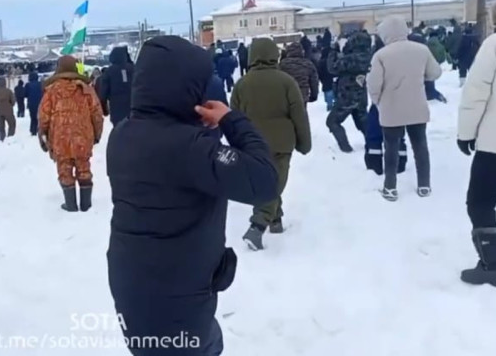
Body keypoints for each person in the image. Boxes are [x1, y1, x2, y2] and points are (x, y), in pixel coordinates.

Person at [106, 36, 278, 356]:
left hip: (132, 285)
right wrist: (230, 119)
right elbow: (264, 180)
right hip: (178, 299)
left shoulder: (122, 134)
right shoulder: (191, 148)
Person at [231, 38, 312, 250]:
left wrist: (237, 145)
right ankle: (258, 226)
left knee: (267, 183)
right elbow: (299, 115)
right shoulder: (286, 82)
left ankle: (276, 220)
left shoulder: (242, 84)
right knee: (275, 184)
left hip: (252, 145)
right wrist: (304, 143)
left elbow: (234, 119)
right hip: (281, 144)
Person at [367, 15, 442, 201]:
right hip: (417, 106)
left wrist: (377, 102)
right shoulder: (421, 50)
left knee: (391, 148)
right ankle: (424, 185)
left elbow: (374, 84)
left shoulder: (381, 55)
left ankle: (390, 188)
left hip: (391, 109)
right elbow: (435, 73)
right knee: (420, 147)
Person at [458, 33, 496, 287]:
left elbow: (476, 93)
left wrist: (466, 133)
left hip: (495, 144)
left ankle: (493, 265)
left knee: (480, 202)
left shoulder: (494, 44)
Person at [39, 55, 104, 212]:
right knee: (84, 167)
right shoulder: (86, 89)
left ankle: (70, 204)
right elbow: (97, 114)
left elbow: (43, 117)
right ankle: (86, 204)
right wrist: (96, 134)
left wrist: (43, 135)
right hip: (83, 136)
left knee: (64, 168)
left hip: (60, 138)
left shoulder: (51, 91)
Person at [326, 32, 372, 153]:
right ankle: (373, 143)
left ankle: (345, 148)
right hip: (361, 95)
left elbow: (332, 68)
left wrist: (333, 50)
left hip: (346, 96)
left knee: (332, 121)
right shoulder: (369, 56)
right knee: (362, 121)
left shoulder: (350, 58)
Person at [99, 46, 135, 126]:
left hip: (117, 110)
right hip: (135, 109)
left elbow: (103, 94)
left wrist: (104, 110)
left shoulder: (109, 72)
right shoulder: (134, 69)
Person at [0, 76, 16, 141]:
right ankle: (10, 137)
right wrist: (10, 105)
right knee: (12, 124)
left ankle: (2, 138)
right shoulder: (8, 91)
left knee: (1, 126)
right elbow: (13, 101)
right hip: (8, 111)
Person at [25, 72, 43, 136]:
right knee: (39, 117)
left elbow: (25, 94)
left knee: (33, 117)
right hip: (40, 102)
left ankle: (33, 130)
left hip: (31, 103)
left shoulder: (27, 85)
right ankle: (40, 129)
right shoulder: (40, 84)